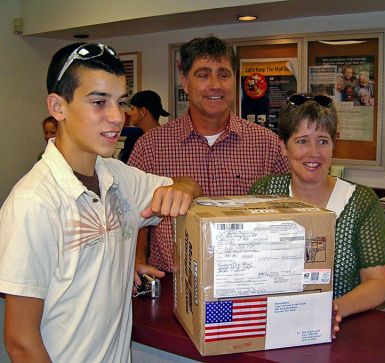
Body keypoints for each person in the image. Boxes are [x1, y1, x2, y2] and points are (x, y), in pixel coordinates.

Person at [0, 42, 202, 363]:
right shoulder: (33, 203)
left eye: (120, 102)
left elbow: (188, 185)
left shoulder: (116, 176)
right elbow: (21, 342)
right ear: (58, 106)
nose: (116, 117)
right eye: (98, 102)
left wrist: (183, 191)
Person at [128, 36, 289, 277]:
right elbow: (133, 216)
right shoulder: (150, 146)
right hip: (172, 282)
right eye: (203, 75)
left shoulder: (268, 144)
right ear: (185, 81)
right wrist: (137, 260)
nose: (215, 85)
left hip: (246, 280)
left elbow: (288, 213)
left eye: (223, 74)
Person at [249, 93, 385, 339]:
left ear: (334, 145)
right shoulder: (263, 194)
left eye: (323, 141)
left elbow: (379, 283)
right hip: (271, 327)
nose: (314, 153)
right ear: (283, 146)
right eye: (302, 141)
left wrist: (333, 310)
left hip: (342, 330)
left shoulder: (361, 202)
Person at [119, 90, 169, 163]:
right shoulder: (132, 138)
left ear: (143, 111)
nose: (129, 113)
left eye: (133, 109)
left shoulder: (166, 140)